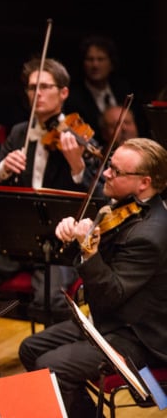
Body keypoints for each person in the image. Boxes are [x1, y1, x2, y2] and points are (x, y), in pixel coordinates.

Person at [20, 137, 167, 417]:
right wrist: (71, 237)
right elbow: (82, 262)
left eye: (116, 172)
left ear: (144, 183)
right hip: (111, 320)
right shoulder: (123, 205)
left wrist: (88, 250)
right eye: (109, 166)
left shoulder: (151, 234)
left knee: (50, 366)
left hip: (139, 336)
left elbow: (109, 294)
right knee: (30, 348)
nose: (106, 174)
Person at [0, 57, 102, 321]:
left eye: (45, 87)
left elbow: (101, 194)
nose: (37, 93)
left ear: (63, 93)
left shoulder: (80, 136)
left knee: (52, 300)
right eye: (32, 87)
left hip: (60, 243)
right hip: (18, 240)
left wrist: (77, 166)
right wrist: (3, 167)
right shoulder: (18, 133)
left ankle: (50, 360)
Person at [65, 35, 143, 138]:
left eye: (100, 59)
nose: (95, 65)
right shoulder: (73, 98)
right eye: (90, 59)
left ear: (111, 63)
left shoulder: (124, 89)